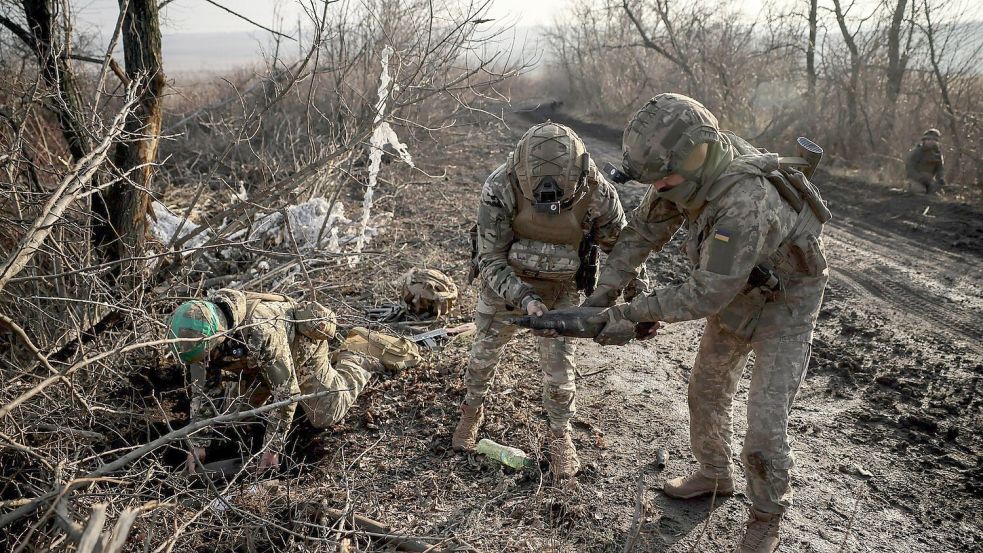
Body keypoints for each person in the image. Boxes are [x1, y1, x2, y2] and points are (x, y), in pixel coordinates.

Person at [581, 94, 830, 552]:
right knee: (707, 391)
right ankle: (714, 475)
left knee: (765, 426)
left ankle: (766, 518)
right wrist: (599, 298)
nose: (659, 188)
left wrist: (626, 313)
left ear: (695, 156)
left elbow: (706, 293)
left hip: (785, 305)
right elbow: (641, 234)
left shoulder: (744, 201)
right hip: (739, 291)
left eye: (664, 179)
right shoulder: (683, 175)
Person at [453, 121, 640, 479]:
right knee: (481, 358)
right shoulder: (501, 185)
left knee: (559, 374)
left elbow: (623, 251)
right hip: (505, 284)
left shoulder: (596, 191)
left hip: (562, 287)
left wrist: (637, 298)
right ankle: (471, 411)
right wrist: (523, 297)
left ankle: (560, 438)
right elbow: (489, 257)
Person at [167, 289, 399, 474]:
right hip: (257, 363)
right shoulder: (196, 331)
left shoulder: (260, 330)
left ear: (219, 338)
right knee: (235, 417)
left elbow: (287, 393)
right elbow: (204, 390)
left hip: (300, 350)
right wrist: (198, 443)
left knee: (326, 414)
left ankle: (355, 358)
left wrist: (272, 449)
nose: (202, 360)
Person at [905, 128, 945, 194]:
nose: (931, 142)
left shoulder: (937, 154)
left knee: (937, 194)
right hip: (916, 180)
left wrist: (940, 178)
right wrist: (919, 178)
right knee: (920, 192)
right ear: (924, 141)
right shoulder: (917, 152)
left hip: (929, 180)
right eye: (928, 139)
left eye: (934, 140)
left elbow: (940, 168)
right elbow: (909, 168)